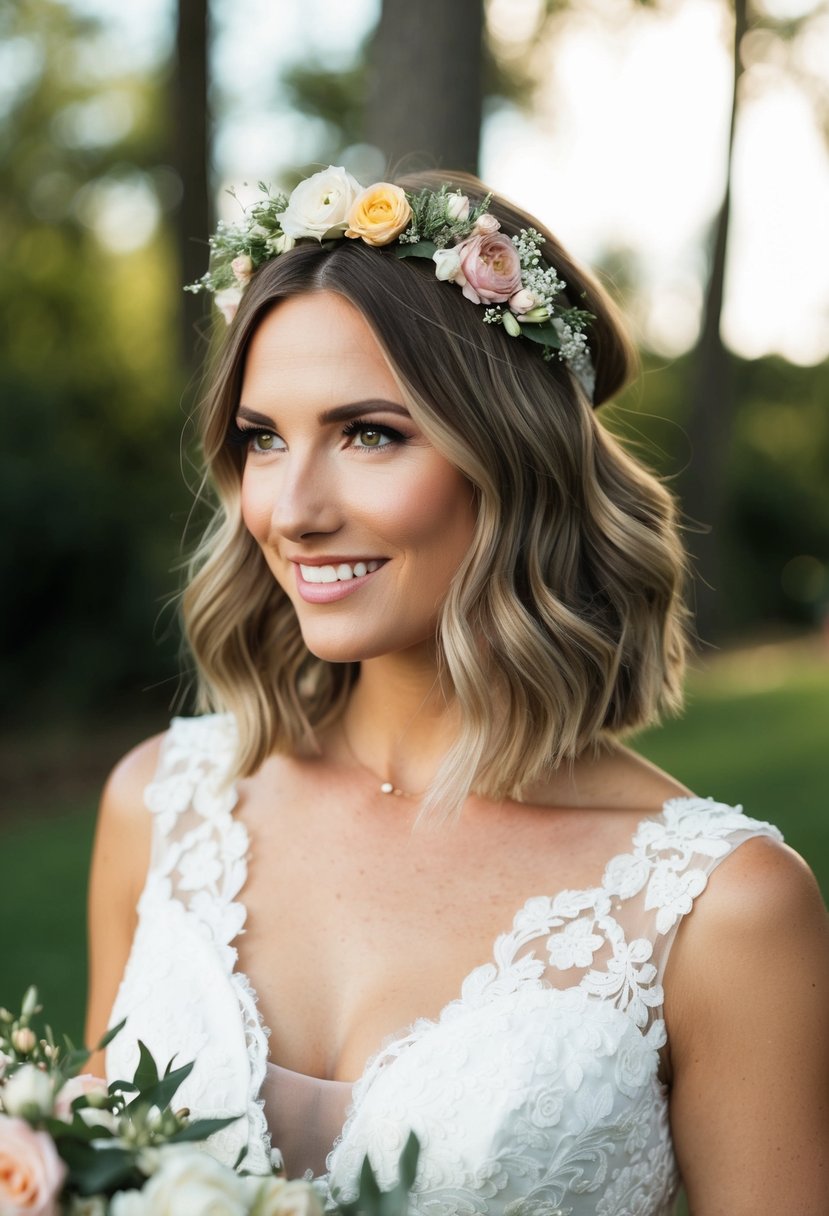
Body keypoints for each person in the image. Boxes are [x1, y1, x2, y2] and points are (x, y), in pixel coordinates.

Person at [84, 167, 829, 1214]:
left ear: (512, 458)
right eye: (263, 439)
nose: (291, 508)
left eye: (370, 433)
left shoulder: (723, 911)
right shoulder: (160, 807)